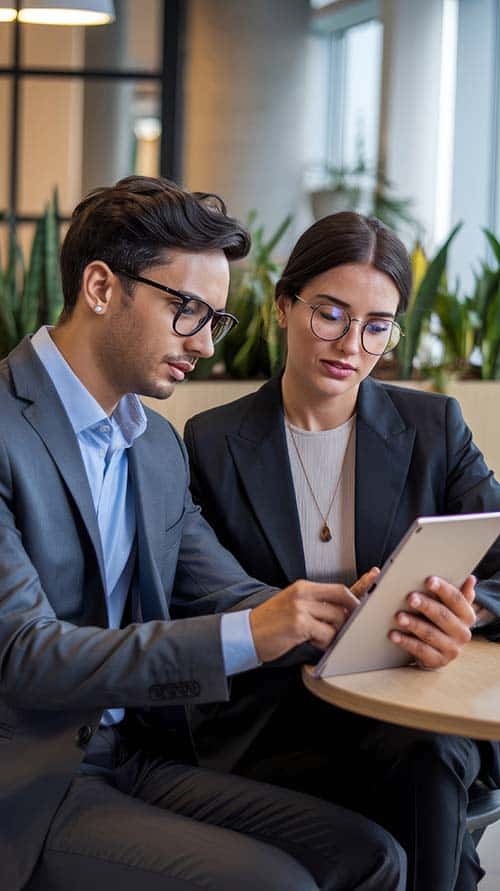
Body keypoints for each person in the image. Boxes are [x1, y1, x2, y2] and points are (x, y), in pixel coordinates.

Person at [0, 181, 407, 891]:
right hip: (28, 781)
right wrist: (255, 629)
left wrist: (349, 614)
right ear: (100, 285)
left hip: (130, 755)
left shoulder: (154, 446)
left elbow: (224, 590)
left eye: (216, 318)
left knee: (371, 856)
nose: (205, 343)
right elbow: (25, 655)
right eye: (186, 309)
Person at [184, 211, 500, 891]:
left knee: (428, 748)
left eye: (377, 325)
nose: (351, 344)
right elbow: (202, 592)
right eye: (329, 313)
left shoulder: (434, 426)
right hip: (278, 715)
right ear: (281, 306)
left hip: (407, 705)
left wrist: (466, 612)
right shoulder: (211, 442)